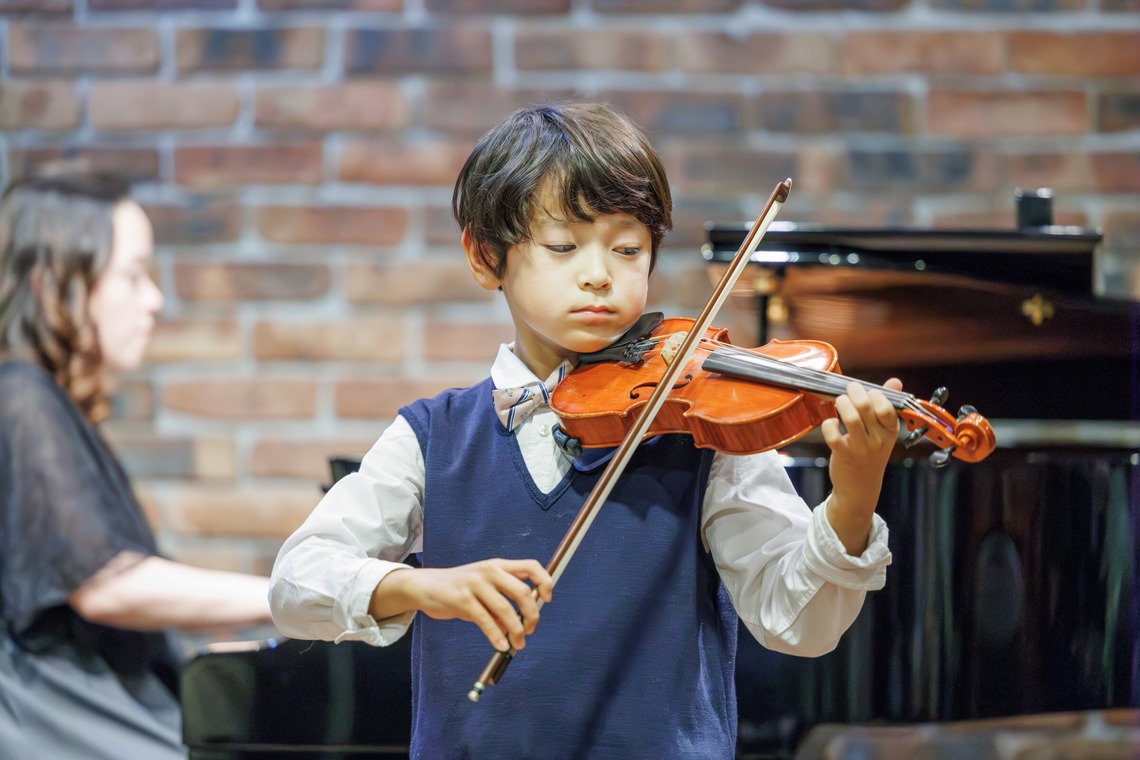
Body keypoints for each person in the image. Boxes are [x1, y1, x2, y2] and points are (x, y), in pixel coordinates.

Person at [270, 103, 902, 759]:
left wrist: (852, 502)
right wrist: (423, 587)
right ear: (486, 258)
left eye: (627, 249)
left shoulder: (701, 431)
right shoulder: (433, 437)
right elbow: (296, 584)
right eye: (564, 246)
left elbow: (796, 623)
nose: (599, 273)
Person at [0, 170, 274, 759]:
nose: (154, 298)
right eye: (132, 275)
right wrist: (303, 597)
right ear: (57, 284)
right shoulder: (20, 396)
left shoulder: (41, 402)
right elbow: (105, 584)